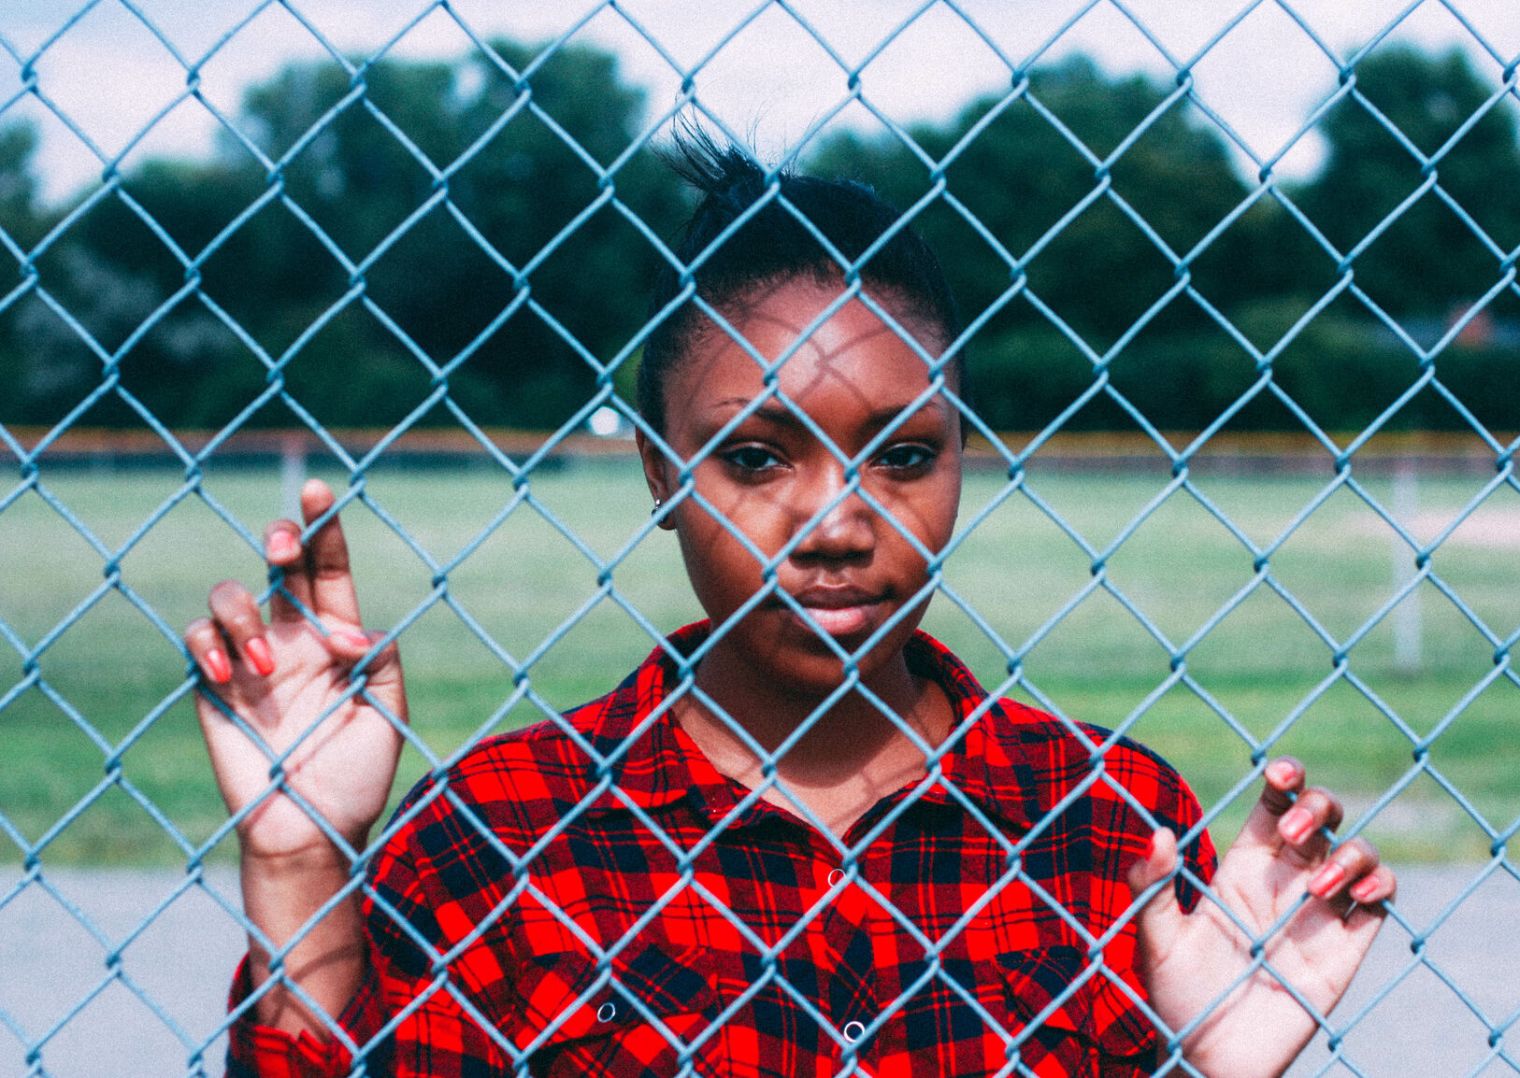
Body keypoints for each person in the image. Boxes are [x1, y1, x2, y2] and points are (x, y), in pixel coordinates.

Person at [188, 135, 1395, 1077]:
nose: (836, 525)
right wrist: (297, 865)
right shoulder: (498, 840)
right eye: (759, 459)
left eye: (907, 455)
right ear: (664, 475)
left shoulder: (1108, 826)